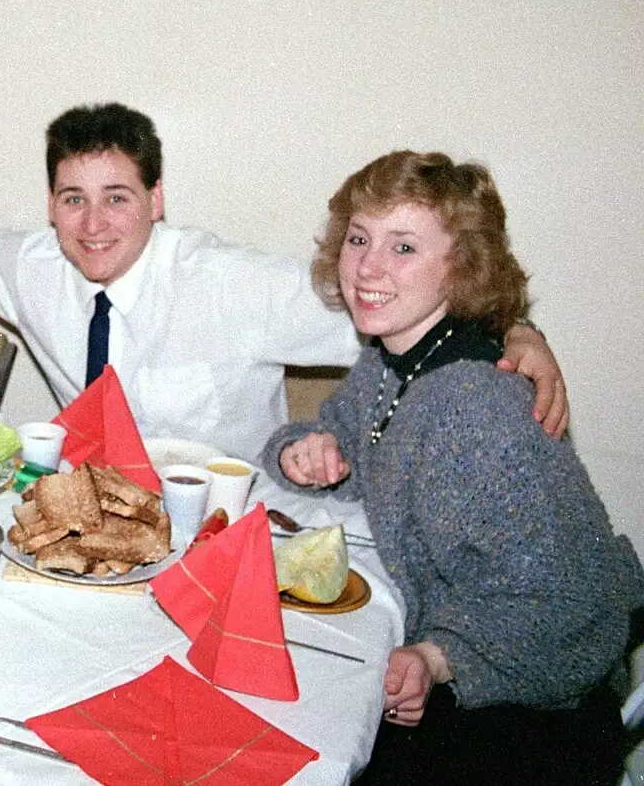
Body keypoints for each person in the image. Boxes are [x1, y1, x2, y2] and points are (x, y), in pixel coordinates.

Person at [0, 103, 567, 459]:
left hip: (226, 537)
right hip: (89, 530)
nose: (93, 225)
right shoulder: (34, 265)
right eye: (74, 199)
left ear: (157, 201)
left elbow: (407, 302)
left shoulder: (229, 282)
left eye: (117, 198)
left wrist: (518, 332)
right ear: (52, 205)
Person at [264, 151, 640, 785]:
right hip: (459, 650)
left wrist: (438, 659)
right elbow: (343, 429)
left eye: (404, 247)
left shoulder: (475, 406)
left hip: (532, 716)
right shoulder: (392, 360)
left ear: (461, 267)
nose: (368, 266)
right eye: (360, 238)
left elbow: (571, 607)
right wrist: (301, 447)